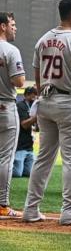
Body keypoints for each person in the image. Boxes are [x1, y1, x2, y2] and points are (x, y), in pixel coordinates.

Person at [24, 0, 71, 225]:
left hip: (45, 100)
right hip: (69, 101)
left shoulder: (43, 39)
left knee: (43, 158)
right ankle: (68, 211)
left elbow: (36, 76)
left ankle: (31, 208)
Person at [0, 12, 25, 218]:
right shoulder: (10, 50)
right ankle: (2, 204)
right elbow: (19, 82)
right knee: (5, 158)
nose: (15, 28)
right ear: (2, 27)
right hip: (5, 107)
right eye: (12, 24)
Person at [13, 87, 37, 178]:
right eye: (33, 95)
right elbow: (24, 125)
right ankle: (6, 164)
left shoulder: (33, 106)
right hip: (20, 146)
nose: (34, 98)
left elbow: (37, 128)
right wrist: (37, 116)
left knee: (30, 173)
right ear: (26, 95)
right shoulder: (20, 106)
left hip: (29, 147)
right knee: (17, 173)